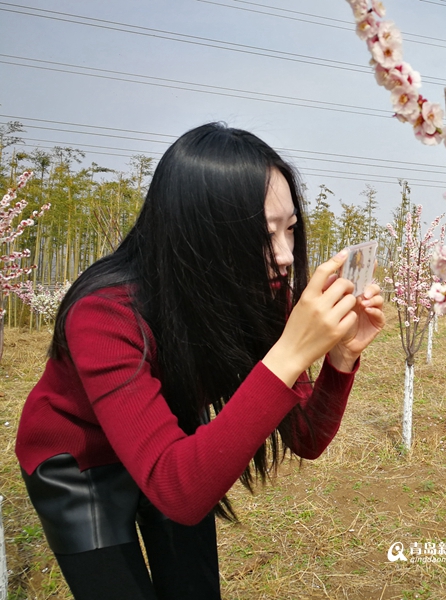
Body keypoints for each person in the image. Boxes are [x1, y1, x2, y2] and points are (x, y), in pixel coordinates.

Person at [15, 123, 385, 600]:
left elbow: (305, 437)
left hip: (174, 443)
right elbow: (179, 491)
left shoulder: (256, 291)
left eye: (289, 229)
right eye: (261, 234)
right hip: (82, 462)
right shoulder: (103, 314)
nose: (285, 255)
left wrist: (338, 359)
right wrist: (289, 352)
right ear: (196, 234)